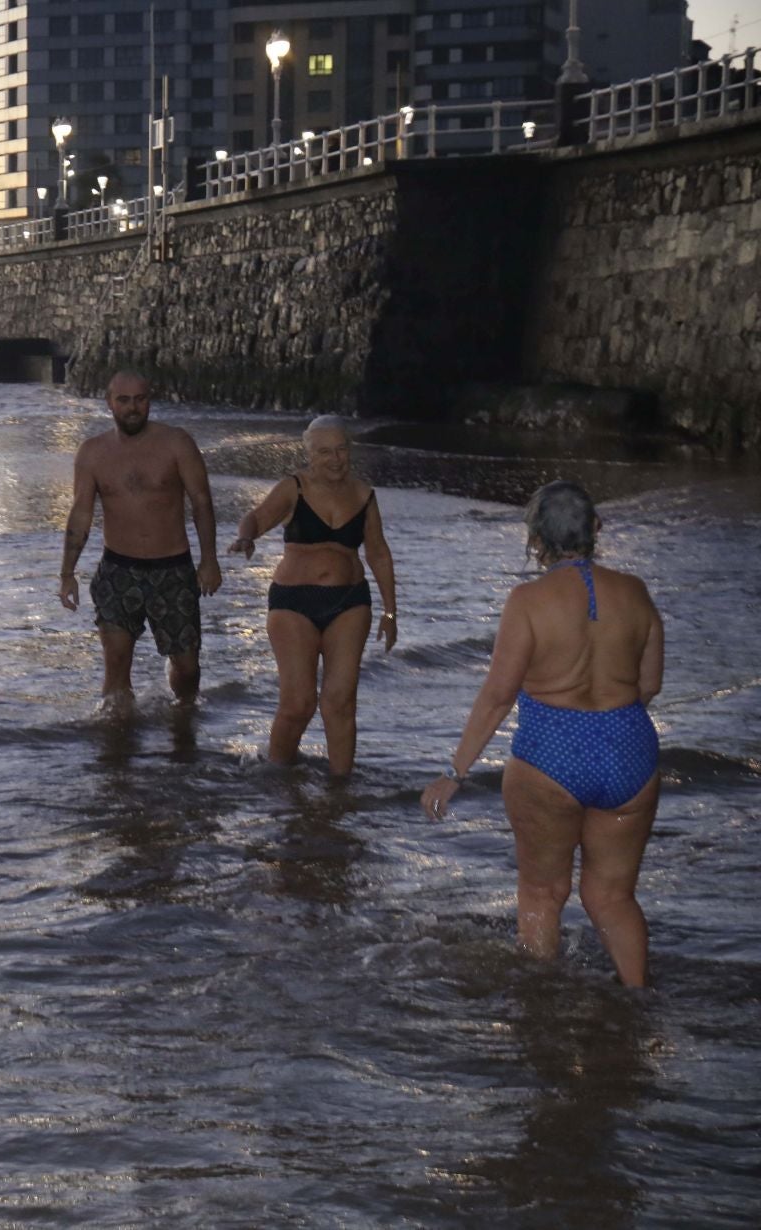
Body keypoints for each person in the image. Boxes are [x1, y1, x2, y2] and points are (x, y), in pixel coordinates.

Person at [421, 481, 664, 987]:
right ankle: (640, 1003)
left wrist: (453, 773)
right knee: (612, 897)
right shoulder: (636, 593)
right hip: (629, 751)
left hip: (552, 755)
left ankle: (541, 1007)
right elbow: (649, 684)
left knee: (542, 892)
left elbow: (497, 697)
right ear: (596, 529)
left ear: (535, 541)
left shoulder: (528, 601)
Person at [230, 415, 397, 775]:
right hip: (293, 603)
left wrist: (391, 612)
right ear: (309, 455)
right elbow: (257, 517)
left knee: (339, 702)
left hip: (350, 602)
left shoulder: (364, 494)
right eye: (325, 452)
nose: (335, 459)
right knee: (299, 703)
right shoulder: (294, 488)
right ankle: (276, 774)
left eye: (341, 450)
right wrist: (246, 538)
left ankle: (340, 785)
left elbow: (378, 553)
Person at [59, 370, 221, 710]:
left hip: (173, 571)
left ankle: (184, 720)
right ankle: (117, 747)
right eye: (124, 400)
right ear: (109, 403)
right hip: (118, 569)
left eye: (140, 399)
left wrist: (209, 560)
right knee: (116, 664)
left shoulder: (177, 443)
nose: (133, 408)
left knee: (188, 670)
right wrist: (67, 573)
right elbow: (80, 515)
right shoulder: (92, 453)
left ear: (149, 400)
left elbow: (202, 502)